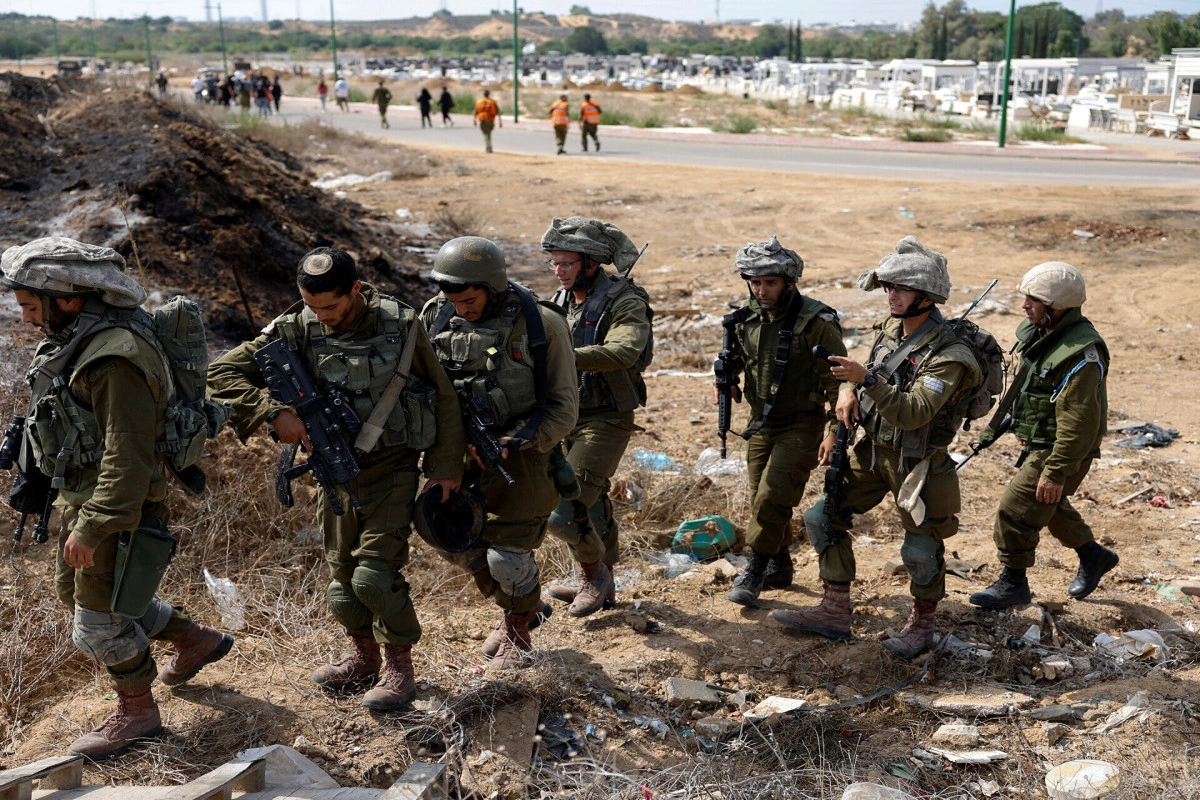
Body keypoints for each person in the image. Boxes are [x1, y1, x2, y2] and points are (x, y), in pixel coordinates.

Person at [1, 237, 234, 758]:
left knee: (98, 621)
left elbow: (129, 459)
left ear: (69, 299)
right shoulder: (80, 337)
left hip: (114, 505)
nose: (26, 320)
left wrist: (94, 526)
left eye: (31, 307)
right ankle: (193, 638)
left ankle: (137, 712)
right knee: (80, 593)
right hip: (86, 496)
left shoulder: (112, 361)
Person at [207, 247, 465, 710]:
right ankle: (363, 658)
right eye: (312, 305)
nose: (322, 316)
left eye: (331, 306)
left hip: (392, 465)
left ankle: (400, 669)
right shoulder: (295, 325)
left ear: (356, 290)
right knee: (342, 581)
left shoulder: (401, 324)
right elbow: (222, 373)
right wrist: (273, 411)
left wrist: (445, 467)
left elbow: (442, 395)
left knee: (374, 576)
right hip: (334, 469)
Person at [772, 237, 981, 659]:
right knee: (821, 517)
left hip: (917, 464)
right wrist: (845, 400)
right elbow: (866, 373)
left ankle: (922, 625)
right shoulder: (890, 330)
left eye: (902, 289)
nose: (892, 296)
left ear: (926, 297)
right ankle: (834, 609)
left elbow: (913, 412)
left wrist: (864, 380)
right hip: (873, 453)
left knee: (919, 549)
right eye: (889, 287)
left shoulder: (951, 356)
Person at [419, 237, 578, 671]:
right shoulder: (436, 314)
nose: (461, 309)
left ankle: (517, 632)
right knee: (446, 534)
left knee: (506, 556)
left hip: (522, 459)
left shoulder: (543, 324)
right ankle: (523, 605)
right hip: (457, 452)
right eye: (454, 300)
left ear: (493, 286)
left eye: (469, 300)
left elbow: (564, 408)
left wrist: (517, 440)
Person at [969, 262, 1118, 609]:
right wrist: (1006, 427)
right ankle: (1093, 555)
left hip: (1064, 447)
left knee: (1016, 510)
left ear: (1058, 306)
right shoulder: (1043, 332)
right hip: (1045, 438)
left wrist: (1055, 471)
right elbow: (1026, 384)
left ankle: (1014, 583)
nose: (1025, 306)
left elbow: (1079, 423)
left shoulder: (1081, 353)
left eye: (1034, 300)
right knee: (1049, 505)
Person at [719, 237, 845, 608]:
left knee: (773, 496)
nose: (761, 291)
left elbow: (839, 383)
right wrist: (726, 378)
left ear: (789, 282)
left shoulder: (816, 322)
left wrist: (833, 431)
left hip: (802, 423)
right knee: (761, 496)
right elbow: (740, 357)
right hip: (762, 422)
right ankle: (780, 565)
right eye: (755, 283)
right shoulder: (746, 318)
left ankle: (755, 569)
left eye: (770, 283)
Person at [540, 218, 652, 617]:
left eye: (567, 263)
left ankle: (593, 576)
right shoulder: (560, 300)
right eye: (554, 263)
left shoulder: (625, 301)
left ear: (591, 263)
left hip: (606, 417)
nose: (559, 271)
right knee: (591, 500)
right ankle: (605, 579)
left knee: (563, 510)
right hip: (564, 416)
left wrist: (567, 358)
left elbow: (625, 349)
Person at [474, 89, 501, 154]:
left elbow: (476, 111)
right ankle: (488, 146)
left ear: (483, 94)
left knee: (485, 134)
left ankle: (489, 147)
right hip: (490, 120)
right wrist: (500, 122)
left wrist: (474, 120)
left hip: (483, 120)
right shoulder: (493, 102)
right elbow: (498, 112)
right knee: (488, 134)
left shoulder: (479, 102)